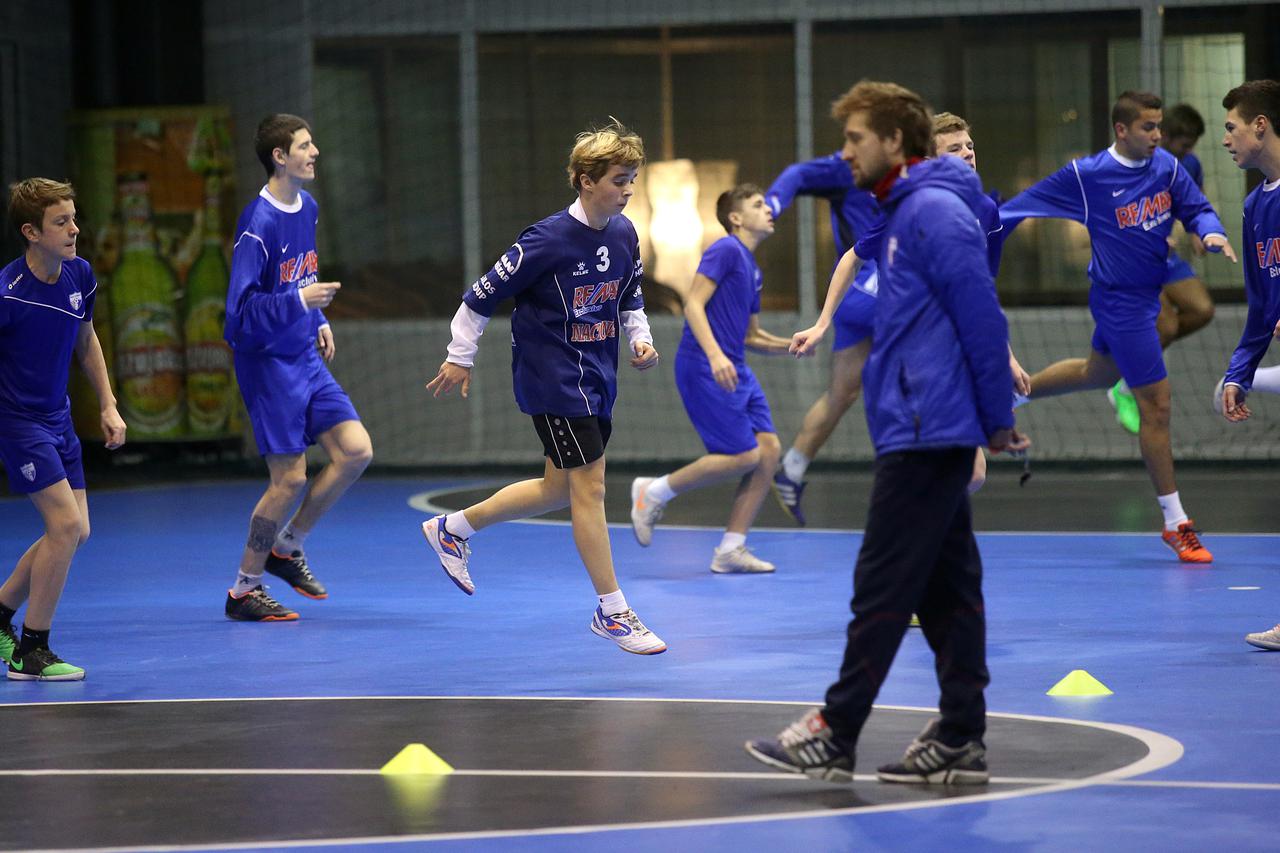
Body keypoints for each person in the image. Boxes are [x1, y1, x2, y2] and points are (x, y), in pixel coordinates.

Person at [744, 81, 1028, 784]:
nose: (845, 154)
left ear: (895, 143)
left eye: (855, 140)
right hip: (914, 421)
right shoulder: (897, 211)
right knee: (948, 589)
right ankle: (961, 733)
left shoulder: (936, 212)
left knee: (881, 584)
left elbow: (981, 317)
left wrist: (997, 419)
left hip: (931, 428)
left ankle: (835, 731)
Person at [423, 119, 666, 655]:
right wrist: (459, 357)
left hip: (598, 377)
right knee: (591, 487)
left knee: (559, 487)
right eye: (619, 180)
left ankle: (453, 528)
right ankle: (613, 611)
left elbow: (630, 296)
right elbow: (478, 297)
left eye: (632, 180)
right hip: (553, 379)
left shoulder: (625, 235)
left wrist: (640, 340)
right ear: (584, 180)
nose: (628, 190)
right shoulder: (545, 240)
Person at [999, 91, 1236, 564]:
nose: (1157, 135)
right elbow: (1014, 210)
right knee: (1158, 406)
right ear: (1122, 130)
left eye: (1159, 127)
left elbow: (1196, 206)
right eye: (1148, 127)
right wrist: (967, 235)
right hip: (1119, 303)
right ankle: (1176, 523)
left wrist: (1210, 229)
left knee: (1098, 373)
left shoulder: (1166, 166)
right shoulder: (1087, 177)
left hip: (1148, 296)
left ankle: (1008, 397)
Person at [787, 110, 1027, 496]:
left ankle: (921, 534)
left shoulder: (985, 210)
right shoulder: (911, 207)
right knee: (953, 467)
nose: (967, 153)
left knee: (971, 472)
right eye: (954, 148)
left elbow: (981, 292)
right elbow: (853, 256)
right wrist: (821, 324)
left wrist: (1006, 355)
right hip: (911, 353)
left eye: (970, 146)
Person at [223, 114, 373, 622]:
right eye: (305, 146)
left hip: (305, 355)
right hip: (267, 365)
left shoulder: (306, 206)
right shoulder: (257, 224)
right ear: (279, 157)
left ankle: (287, 547)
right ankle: (244, 589)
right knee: (288, 480)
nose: (315, 153)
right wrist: (298, 301)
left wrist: (317, 314)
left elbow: (301, 276)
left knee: (354, 451)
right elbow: (238, 318)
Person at [0, 178, 127, 680]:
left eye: (74, 219)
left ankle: (0, 612)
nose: (75, 230)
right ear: (31, 232)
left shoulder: (80, 275)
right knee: (65, 526)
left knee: (79, 531)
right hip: (18, 422)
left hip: (58, 417)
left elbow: (86, 339)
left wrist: (108, 404)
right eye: (61, 223)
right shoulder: (7, 293)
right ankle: (32, 651)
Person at [629, 184, 792, 573]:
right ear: (736, 218)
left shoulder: (752, 267)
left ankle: (730, 550)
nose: (768, 209)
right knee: (743, 455)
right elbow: (693, 303)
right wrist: (716, 354)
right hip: (705, 365)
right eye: (757, 205)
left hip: (736, 367)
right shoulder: (725, 250)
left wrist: (792, 345)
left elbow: (752, 336)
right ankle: (653, 491)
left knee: (768, 451)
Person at [763, 144, 882, 525]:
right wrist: (773, 205)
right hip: (876, 288)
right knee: (913, 378)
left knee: (843, 390)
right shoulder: (852, 166)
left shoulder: (897, 169)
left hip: (850, 295)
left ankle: (791, 471)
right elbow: (797, 175)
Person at [1215, 80, 1280, 651]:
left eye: (1232, 127)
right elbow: (1262, 305)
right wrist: (1240, 370)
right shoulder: (1257, 205)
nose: (1227, 140)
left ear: (1261, 125)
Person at [1110, 103, 1217, 433]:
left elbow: (1193, 201)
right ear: (1164, 136)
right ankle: (1126, 384)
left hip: (1164, 259)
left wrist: (1199, 229)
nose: (1188, 152)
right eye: (1184, 145)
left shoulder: (1189, 164)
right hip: (1134, 261)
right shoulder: (1132, 165)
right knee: (1165, 327)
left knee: (1202, 309)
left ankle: (1130, 365)